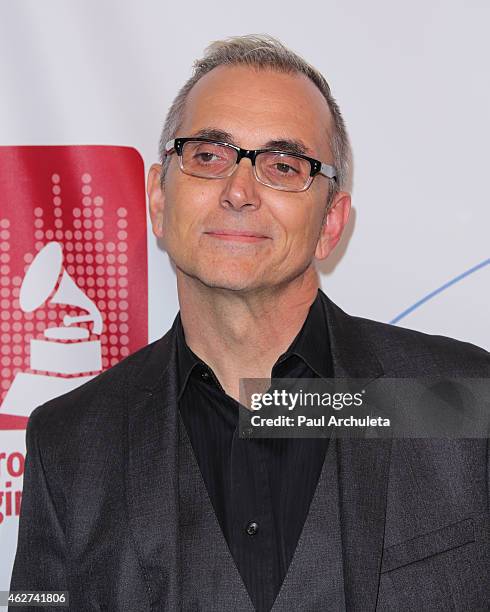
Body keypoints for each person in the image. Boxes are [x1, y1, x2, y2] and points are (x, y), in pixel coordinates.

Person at [10, 35, 489, 611]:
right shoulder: (69, 442)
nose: (238, 191)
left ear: (331, 223)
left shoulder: (459, 400)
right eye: (208, 156)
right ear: (159, 201)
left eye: (283, 166)